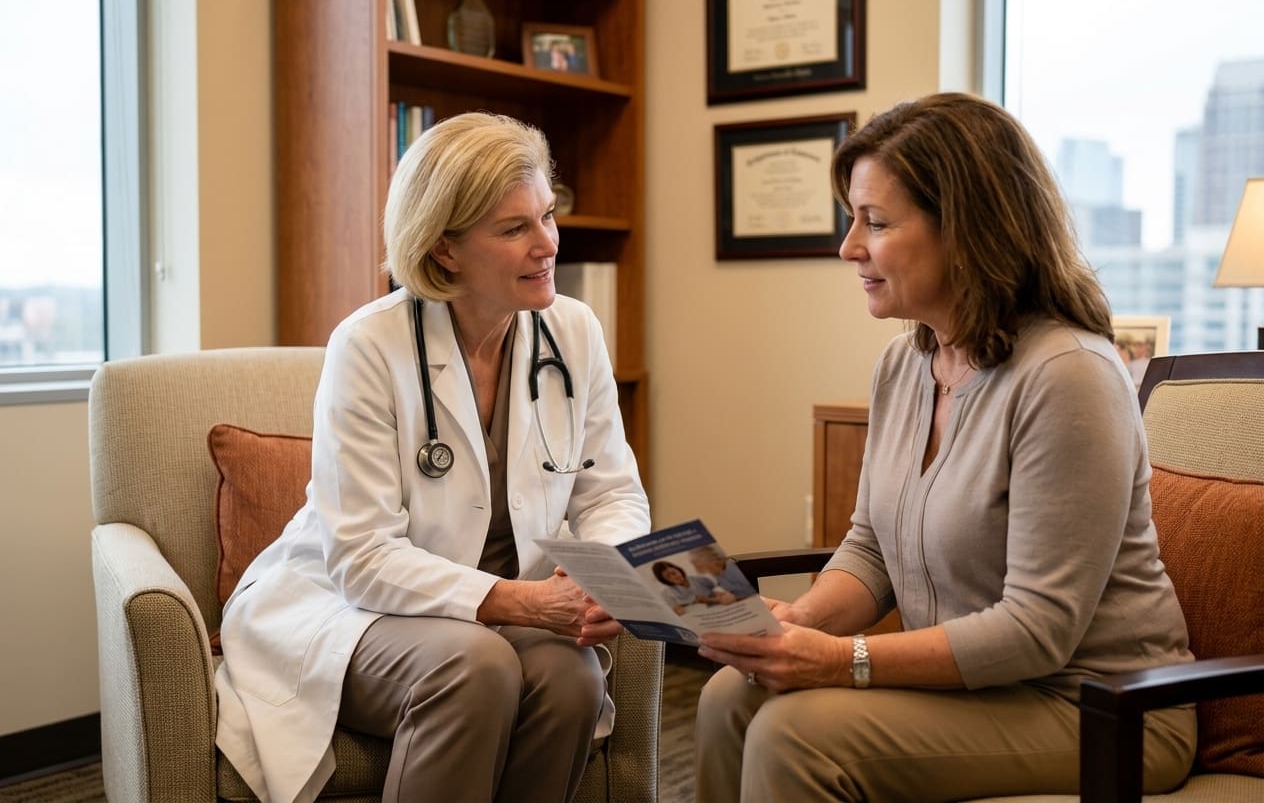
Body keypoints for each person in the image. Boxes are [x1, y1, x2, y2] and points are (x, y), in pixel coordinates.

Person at [692, 92, 1196, 802]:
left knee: (793, 732)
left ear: (966, 229)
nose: (849, 248)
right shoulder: (905, 366)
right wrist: (794, 627)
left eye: (875, 222)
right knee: (725, 698)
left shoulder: (1067, 374)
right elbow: (871, 550)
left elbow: (1036, 629)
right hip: (982, 691)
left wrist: (838, 660)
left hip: (1100, 704)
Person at [214, 112, 650, 803]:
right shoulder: (368, 346)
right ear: (445, 250)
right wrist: (521, 601)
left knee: (573, 679)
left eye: (546, 215)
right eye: (515, 229)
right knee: (474, 667)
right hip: (353, 608)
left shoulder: (573, 329)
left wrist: (603, 572)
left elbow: (610, 493)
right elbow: (360, 557)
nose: (548, 245)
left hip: (508, 604)